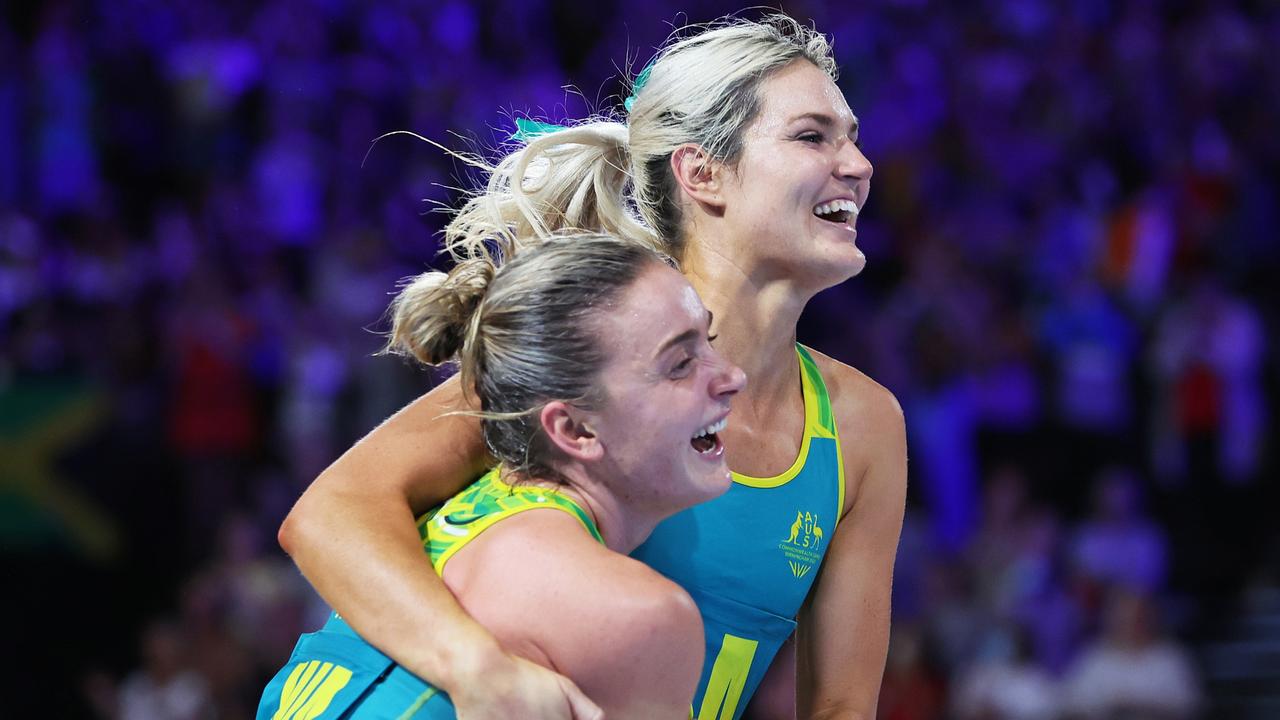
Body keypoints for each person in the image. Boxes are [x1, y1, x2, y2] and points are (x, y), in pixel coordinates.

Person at [280, 14, 907, 720]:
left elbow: (840, 709)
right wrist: (476, 669)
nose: (857, 164)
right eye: (812, 136)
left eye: (853, 136)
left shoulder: (863, 426)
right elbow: (331, 513)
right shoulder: (593, 341)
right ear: (703, 173)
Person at [259, 236, 747, 719]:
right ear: (574, 429)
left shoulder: (431, 522)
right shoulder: (639, 614)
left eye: (711, 340)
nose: (732, 377)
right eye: (680, 365)